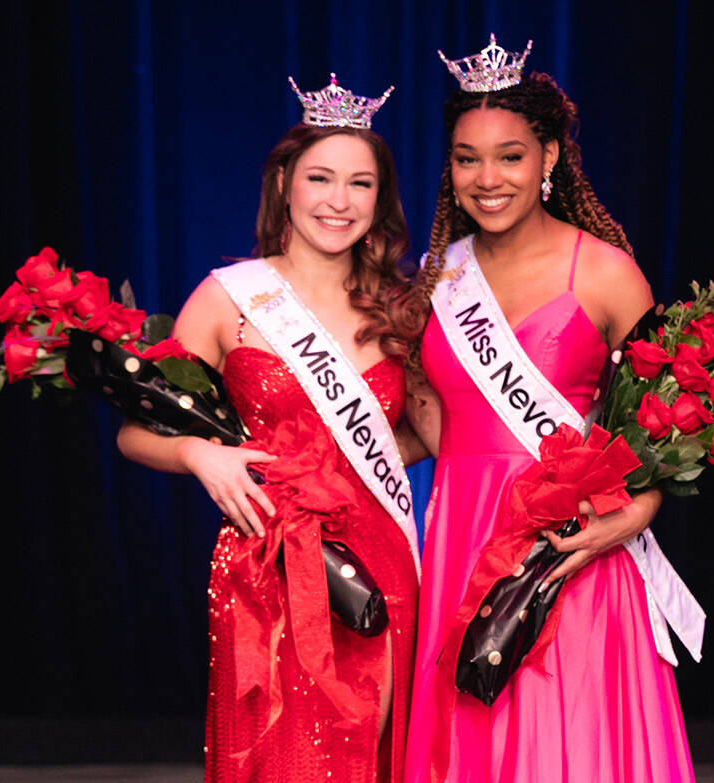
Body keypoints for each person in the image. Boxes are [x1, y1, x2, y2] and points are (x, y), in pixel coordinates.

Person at [404, 36, 701, 782]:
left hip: (570, 546)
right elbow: (426, 421)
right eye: (467, 157)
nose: (487, 177)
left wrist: (638, 510)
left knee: (569, 740)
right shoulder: (438, 278)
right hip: (462, 538)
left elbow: (669, 420)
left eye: (509, 155)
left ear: (549, 158)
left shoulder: (603, 270)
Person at [117, 74, 424, 783]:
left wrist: (341, 468)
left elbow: (425, 435)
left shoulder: (401, 310)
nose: (338, 201)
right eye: (320, 178)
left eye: (360, 183)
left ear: (381, 198)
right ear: (284, 181)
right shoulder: (230, 297)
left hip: (379, 563)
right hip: (264, 568)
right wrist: (201, 454)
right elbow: (136, 432)